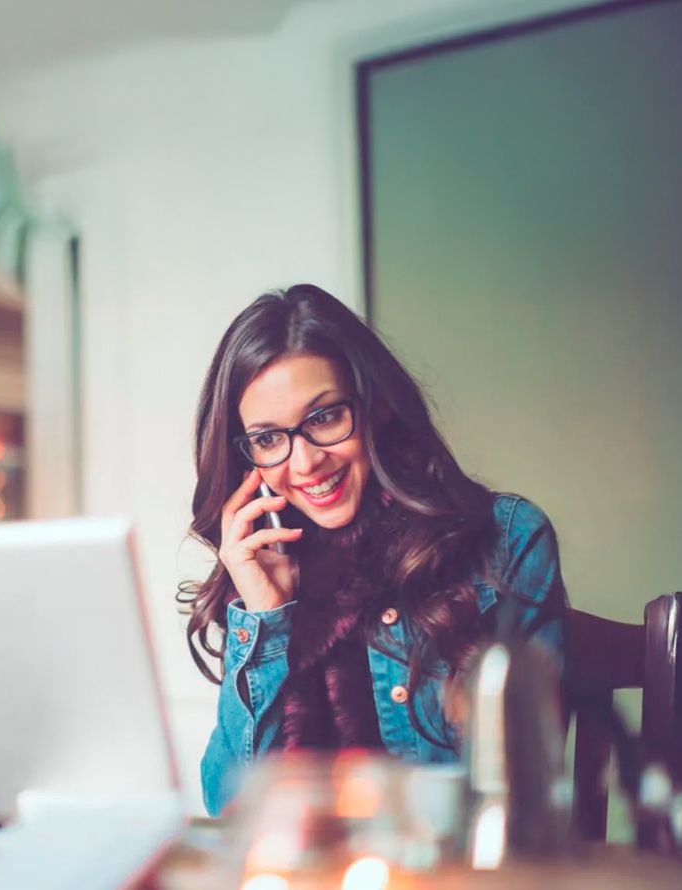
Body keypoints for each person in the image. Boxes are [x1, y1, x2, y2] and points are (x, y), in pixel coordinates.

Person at [179, 283, 567, 816]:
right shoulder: (263, 567)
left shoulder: (510, 539)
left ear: (376, 405)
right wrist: (266, 618)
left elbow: (520, 792)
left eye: (323, 418)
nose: (306, 462)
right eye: (269, 439)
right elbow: (233, 810)